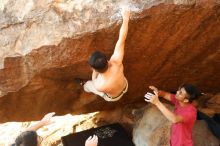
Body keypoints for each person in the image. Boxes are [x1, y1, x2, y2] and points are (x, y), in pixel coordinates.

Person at [77, 8, 130, 102]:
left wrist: (95, 71)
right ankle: (84, 85)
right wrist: (126, 19)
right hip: (125, 86)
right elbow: (122, 39)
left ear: (94, 69)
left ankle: (83, 85)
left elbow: (94, 79)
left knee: (89, 85)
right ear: (107, 61)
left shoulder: (99, 85)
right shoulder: (116, 63)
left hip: (113, 97)